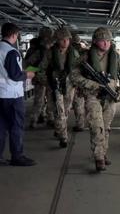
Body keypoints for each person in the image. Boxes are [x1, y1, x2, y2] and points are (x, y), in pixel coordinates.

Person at [70, 27, 120, 171]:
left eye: (108, 41)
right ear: (95, 41)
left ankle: (103, 152)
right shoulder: (85, 57)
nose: (106, 44)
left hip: (110, 96)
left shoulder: (116, 57)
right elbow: (74, 76)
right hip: (92, 95)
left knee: (106, 127)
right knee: (96, 127)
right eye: (102, 41)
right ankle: (98, 157)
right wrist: (93, 84)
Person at [0, 23, 36, 166]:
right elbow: (15, 75)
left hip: (0, 95)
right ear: (14, 35)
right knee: (16, 126)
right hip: (12, 95)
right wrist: (27, 74)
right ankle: (17, 156)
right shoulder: (11, 52)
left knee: (1, 127)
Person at [37, 28, 77, 148]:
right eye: (62, 39)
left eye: (67, 39)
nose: (65, 42)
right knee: (59, 112)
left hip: (70, 86)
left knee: (66, 110)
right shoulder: (50, 53)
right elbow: (41, 69)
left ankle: (59, 128)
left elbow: (79, 69)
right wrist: (48, 82)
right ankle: (63, 137)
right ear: (57, 40)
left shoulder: (74, 53)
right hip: (55, 86)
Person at [24, 27, 54, 128]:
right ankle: (37, 119)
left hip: (48, 78)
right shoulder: (37, 49)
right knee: (41, 100)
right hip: (42, 79)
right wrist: (37, 71)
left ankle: (44, 118)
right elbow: (27, 64)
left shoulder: (40, 48)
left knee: (46, 100)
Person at [70, 33, 87, 131]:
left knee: (66, 104)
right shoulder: (84, 51)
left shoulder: (69, 51)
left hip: (71, 80)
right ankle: (80, 124)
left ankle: (60, 128)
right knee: (79, 103)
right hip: (82, 81)